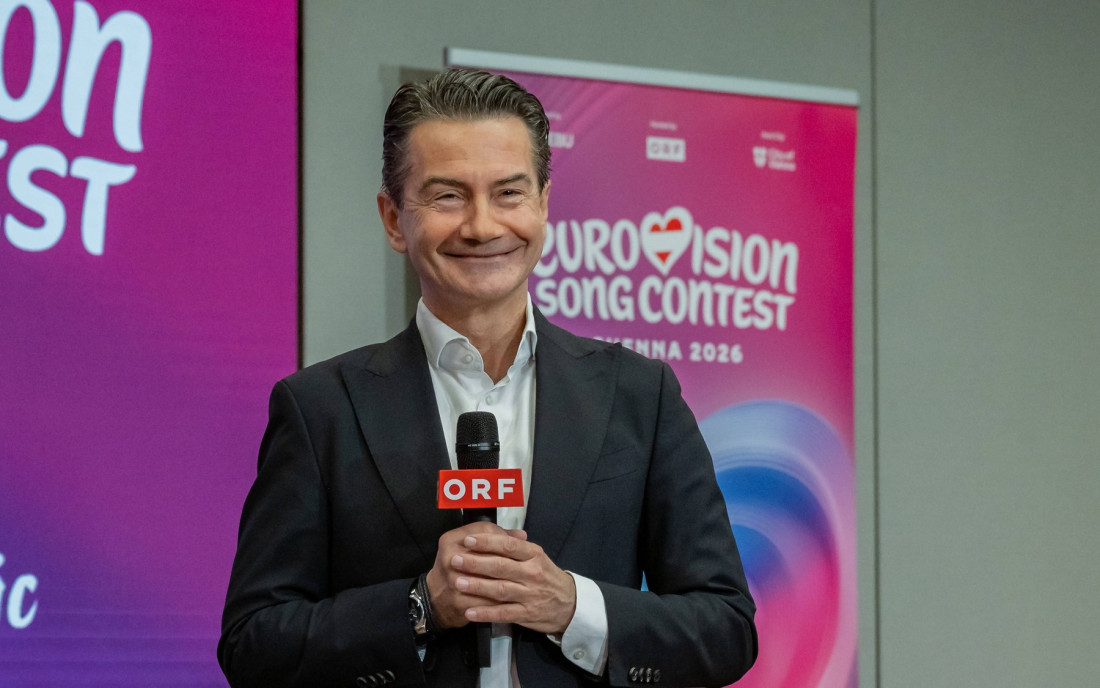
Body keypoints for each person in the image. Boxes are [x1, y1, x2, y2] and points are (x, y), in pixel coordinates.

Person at [218, 68, 757, 688]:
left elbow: (726, 628)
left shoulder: (640, 395)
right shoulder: (321, 410)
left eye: (508, 193)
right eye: (448, 196)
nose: (482, 226)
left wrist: (572, 607)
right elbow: (253, 645)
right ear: (393, 219)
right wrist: (419, 607)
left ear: (543, 205)